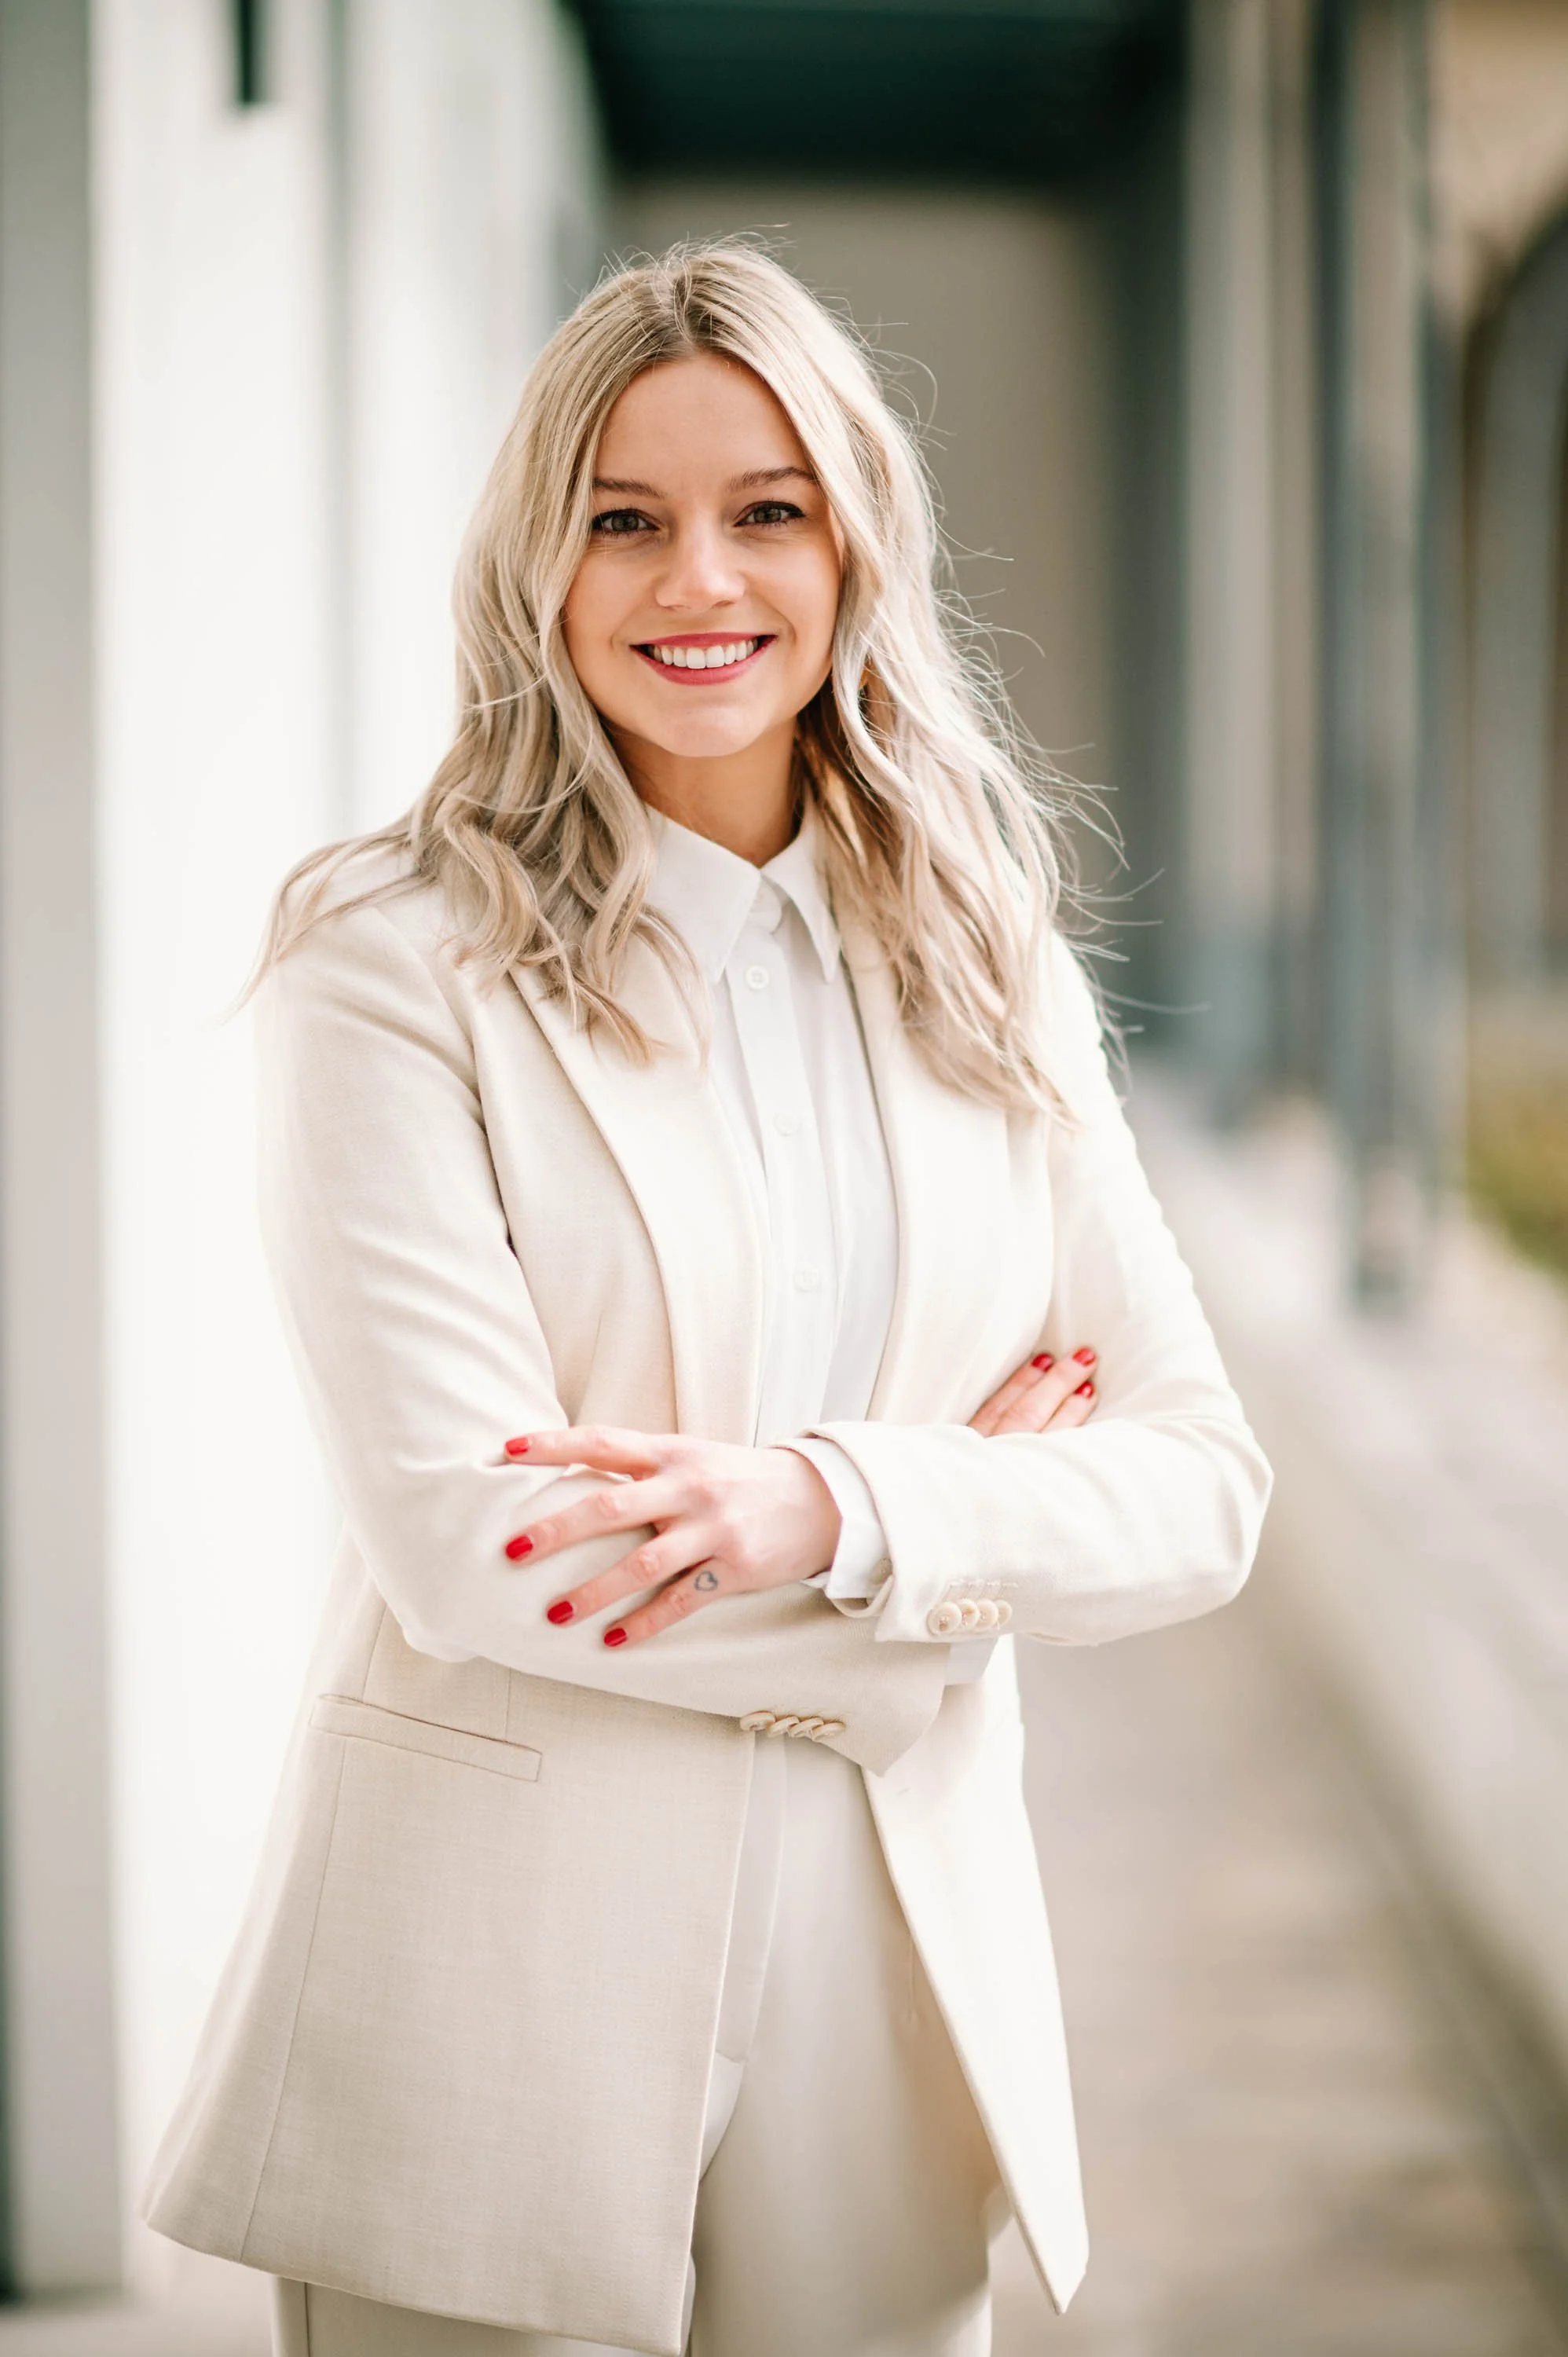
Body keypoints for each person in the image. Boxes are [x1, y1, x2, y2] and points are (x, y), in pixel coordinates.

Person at [141, 244, 1272, 2357]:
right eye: (624, 519)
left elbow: (1199, 1487)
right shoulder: (387, 964)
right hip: (493, 1957)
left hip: (890, 1960)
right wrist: (944, 1561)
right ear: (536, 571)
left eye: (766, 509)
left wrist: (832, 1507)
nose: (700, 582)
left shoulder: (978, 949)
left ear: (854, 545)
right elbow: (481, 1554)